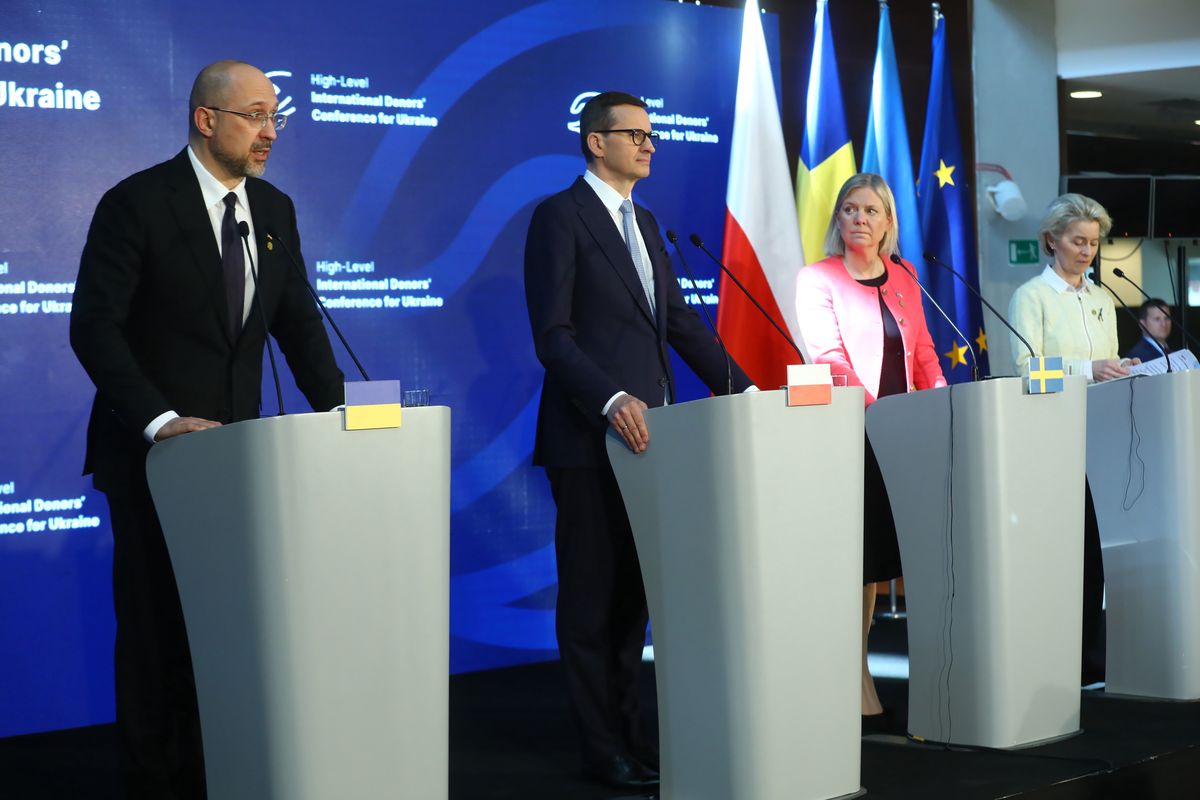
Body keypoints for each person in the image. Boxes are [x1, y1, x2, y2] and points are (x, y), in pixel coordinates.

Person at [69, 60, 345, 799]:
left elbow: (299, 327)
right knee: (158, 631)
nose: (270, 132)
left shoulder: (275, 210)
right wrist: (161, 422)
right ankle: (157, 783)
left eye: (275, 118)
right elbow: (95, 328)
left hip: (240, 461)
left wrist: (347, 414)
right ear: (206, 119)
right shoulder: (138, 203)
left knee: (223, 633)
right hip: (154, 458)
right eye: (255, 115)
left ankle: (218, 772)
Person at [523, 91, 753, 790]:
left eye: (652, 135)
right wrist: (611, 396)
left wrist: (748, 393)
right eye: (636, 135)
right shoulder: (559, 218)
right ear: (597, 142)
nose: (650, 145)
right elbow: (552, 339)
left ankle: (633, 738)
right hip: (590, 441)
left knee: (633, 605)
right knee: (592, 605)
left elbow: (679, 325)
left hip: (657, 447)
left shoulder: (646, 221)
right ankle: (601, 750)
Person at [794, 172, 947, 728]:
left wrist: (941, 404)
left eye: (871, 211)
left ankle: (880, 681)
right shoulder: (818, 278)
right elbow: (829, 357)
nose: (859, 219)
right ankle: (852, 683)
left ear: (888, 223)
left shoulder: (904, 276)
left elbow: (925, 352)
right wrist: (877, 414)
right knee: (860, 564)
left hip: (905, 434)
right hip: (853, 435)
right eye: (850, 209)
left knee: (886, 560)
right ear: (838, 218)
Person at [1007, 192, 1122, 685]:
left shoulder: (1101, 298)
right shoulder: (1031, 296)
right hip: (1049, 437)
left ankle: (1089, 652)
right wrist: (1087, 369)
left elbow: (1109, 362)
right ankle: (1057, 653)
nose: (1087, 251)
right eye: (1078, 241)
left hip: (1101, 436)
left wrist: (1121, 369)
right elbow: (1023, 369)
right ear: (1052, 240)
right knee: (1059, 552)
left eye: (1094, 243)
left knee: (1096, 552)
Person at [1124, 298, 1173, 363]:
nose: (1163, 324)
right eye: (1157, 319)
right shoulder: (1136, 356)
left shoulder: (1174, 352)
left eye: (1166, 318)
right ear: (1142, 324)